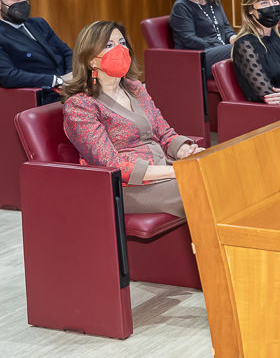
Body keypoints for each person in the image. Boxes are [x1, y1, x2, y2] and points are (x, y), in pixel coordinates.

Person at [62, 21, 201, 218]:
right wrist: (175, 172)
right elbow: (110, 165)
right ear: (91, 59)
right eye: (108, 45)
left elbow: (164, 134)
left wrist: (185, 151)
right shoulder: (80, 105)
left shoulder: (135, 88)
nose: (119, 49)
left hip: (163, 169)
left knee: (221, 173)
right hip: (127, 187)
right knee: (201, 188)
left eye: (122, 43)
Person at [0, 0, 73, 104]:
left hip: (70, 89)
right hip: (40, 97)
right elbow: (8, 76)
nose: (24, 4)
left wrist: (72, 76)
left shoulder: (39, 23)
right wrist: (57, 81)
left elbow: (67, 52)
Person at [169, 0, 236, 78]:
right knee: (241, 48)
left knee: (252, 42)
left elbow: (225, 27)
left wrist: (233, 37)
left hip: (219, 50)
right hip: (197, 57)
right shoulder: (181, 6)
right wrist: (219, 48)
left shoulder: (214, 1)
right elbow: (189, 39)